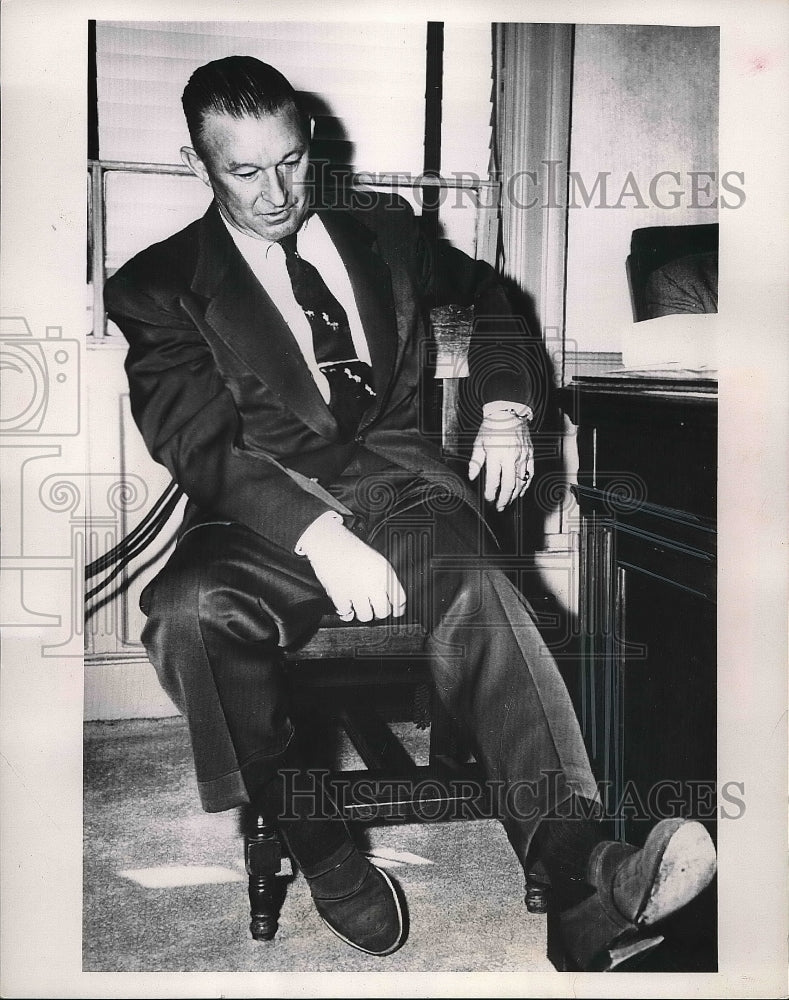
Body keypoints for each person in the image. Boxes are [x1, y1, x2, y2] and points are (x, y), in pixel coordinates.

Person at [104, 56, 716, 971]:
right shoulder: (157, 284)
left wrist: (510, 405)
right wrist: (317, 535)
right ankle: (320, 847)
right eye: (244, 171)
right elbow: (200, 444)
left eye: (291, 161)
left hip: (403, 492)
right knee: (186, 615)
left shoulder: (384, 231)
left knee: (483, 594)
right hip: (261, 516)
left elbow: (492, 302)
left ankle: (582, 874)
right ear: (198, 165)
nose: (276, 192)